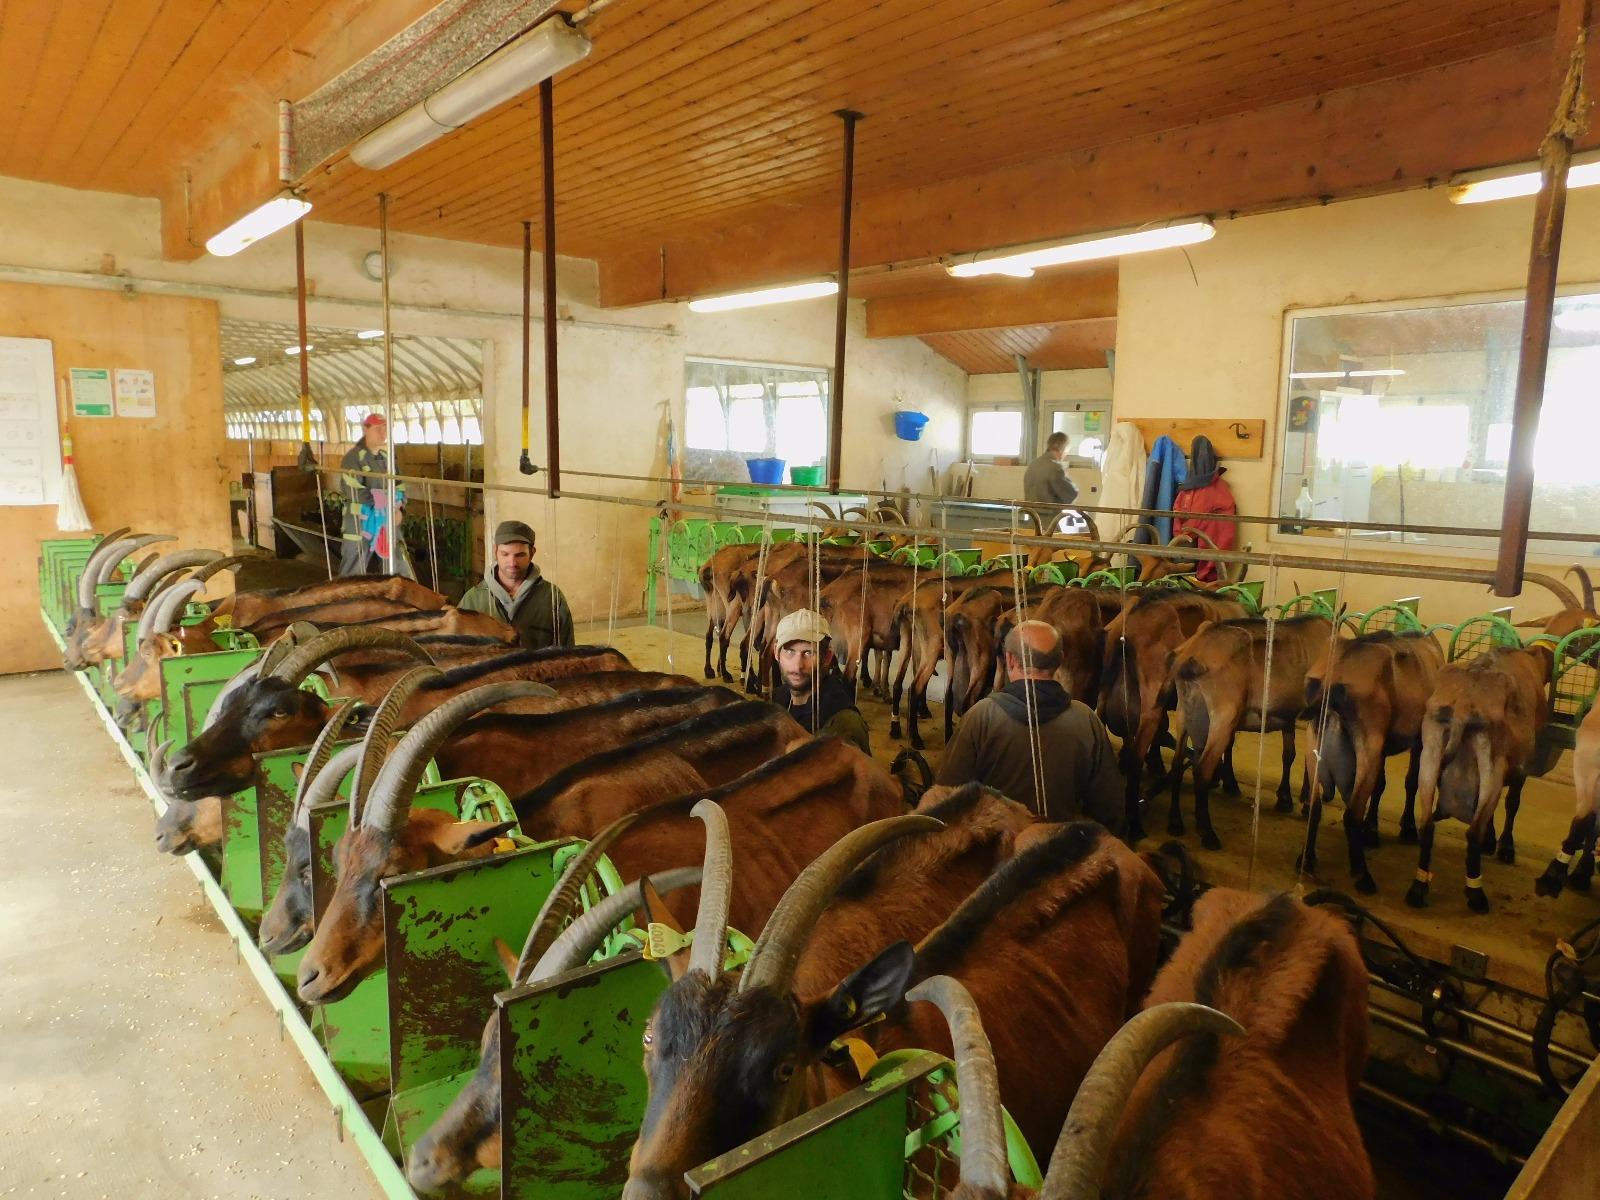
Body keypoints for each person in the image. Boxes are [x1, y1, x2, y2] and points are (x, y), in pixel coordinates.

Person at [935, 620, 1123, 831]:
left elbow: (946, 793)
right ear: (1060, 660)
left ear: (1010, 659)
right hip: (1056, 850)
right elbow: (1110, 806)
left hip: (996, 853)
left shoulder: (982, 716)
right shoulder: (1086, 719)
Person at [457, 520, 574, 650]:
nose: (512, 562)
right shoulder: (473, 600)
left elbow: (567, 651)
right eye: (505, 554)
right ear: (495, 551)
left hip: (537, 670)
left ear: (532, 553)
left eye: (520, 555)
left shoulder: (551, 598)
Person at [769, 608, 870, 755]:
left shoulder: (844, 721)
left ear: (827, 658)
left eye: (809, 653)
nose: (797, 666)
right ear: (776, 653)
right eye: (790, 651)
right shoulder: (779, 698)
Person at [337, 413, 415, 578]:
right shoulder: (352, 458)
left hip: (388, 521)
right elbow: (353, 490)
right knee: (353, 569)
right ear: (366, 429)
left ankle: (401, 599)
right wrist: (384, 501)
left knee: (399, 564)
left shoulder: (387, 459)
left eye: (386, 429)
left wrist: (399, 507)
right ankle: (349, 601)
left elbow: (399, 485)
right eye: (378, 428)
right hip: (360, 523)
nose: (383, 433)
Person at [1172, 434, 1238, 583]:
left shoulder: (1209, 489)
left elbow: (1193, 519)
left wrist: (1181, 535)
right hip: (1198, 542)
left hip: (1204, 542)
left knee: (1194, 580)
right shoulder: (1212, 487)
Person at [1023, 431, 1080, 533]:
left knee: (1031, 548)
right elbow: (1070, 494)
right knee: (1051, 548)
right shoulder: (1055, 467)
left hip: (1031, 522)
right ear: (1062, 450)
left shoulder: (1033, 464)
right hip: (1048, 523)